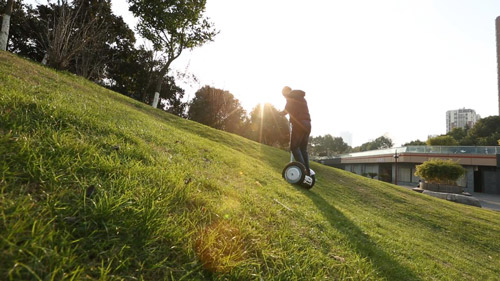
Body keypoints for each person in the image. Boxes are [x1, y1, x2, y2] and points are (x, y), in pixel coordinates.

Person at [280, 86, 312, 175]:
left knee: (294, 147)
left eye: (284, 95)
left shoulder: (291, 96)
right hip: (308, 124)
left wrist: (278, 113)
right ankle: (307, 171)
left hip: (299, 124)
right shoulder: (301, 97)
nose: (285, 98)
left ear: (286, 92)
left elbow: (286, 111)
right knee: (303, 149)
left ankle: (303, 170)